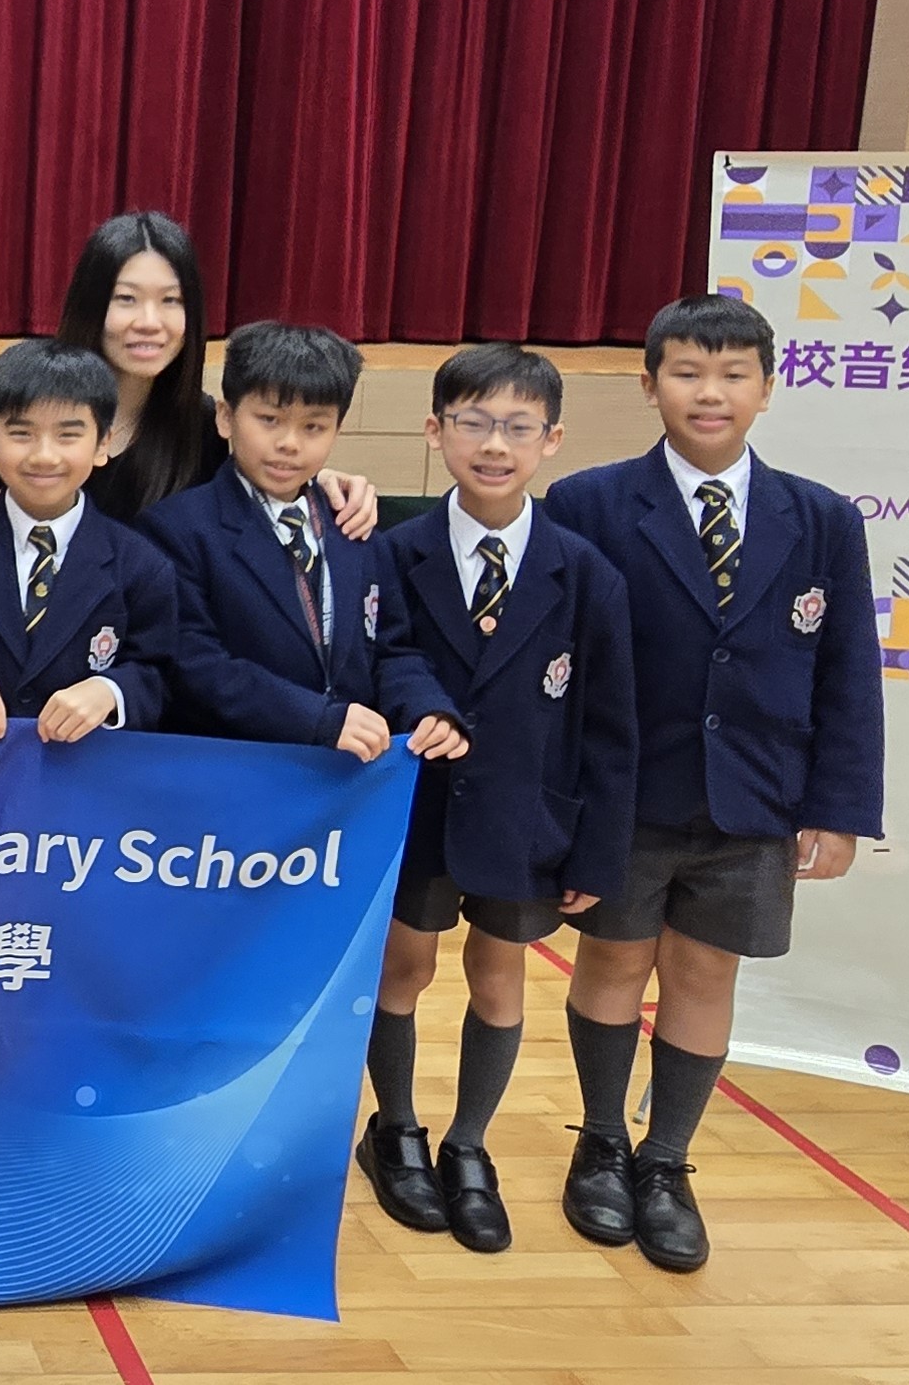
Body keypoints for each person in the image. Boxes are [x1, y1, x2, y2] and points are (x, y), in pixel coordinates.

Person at [536, 295, 884, 1274]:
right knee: (612, 965)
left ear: (768, 388)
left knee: (704, 975)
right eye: (687, 371)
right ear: (649, 383)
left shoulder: (821, 519)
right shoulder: (590, 504)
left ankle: (666, 1160)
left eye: (734, 374)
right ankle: (602, 1142)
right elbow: (556, 665)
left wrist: (838, 807)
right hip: (625, 797)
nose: (710, 392)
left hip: (754, 798)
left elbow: (847, 672)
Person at [365, 344, 634, 1255]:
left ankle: (468, 1144)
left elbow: (611, 728)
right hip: (417, 811)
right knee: (402, 969)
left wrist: (597, 852)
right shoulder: (392, 553)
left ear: (552, 440)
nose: (494, 444)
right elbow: (381, 658)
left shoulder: (586, 572)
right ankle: (395, 1129)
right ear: (434, 430)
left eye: (518, 427)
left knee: (500, 975)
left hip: (528, 818)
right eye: (473, 423)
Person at [0, 212, 378, 533]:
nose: (150, 322)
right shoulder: (17, 388)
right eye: (126, 299)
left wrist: (318, 486)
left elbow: (250, 498)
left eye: (171, 301)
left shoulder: (203, 426)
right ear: (91, 304)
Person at [143, 321, 463, 760]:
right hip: (232, 770)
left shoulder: (354, 526)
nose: (289, 444)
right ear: (225, 417)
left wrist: (426, 709)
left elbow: (391, 649)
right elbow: (194, 664)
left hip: (344, 775)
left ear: (338, 429)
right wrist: (315, 718)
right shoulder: (177, 529)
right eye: (269, 420)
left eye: (313, 426)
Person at [0, 340, 181, 740]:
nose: (44, 456)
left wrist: (111, 690)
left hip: (83, 766)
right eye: (21, 433)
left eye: (68, 435)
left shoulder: (141, 564)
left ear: (103, 443)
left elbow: (158, 670)